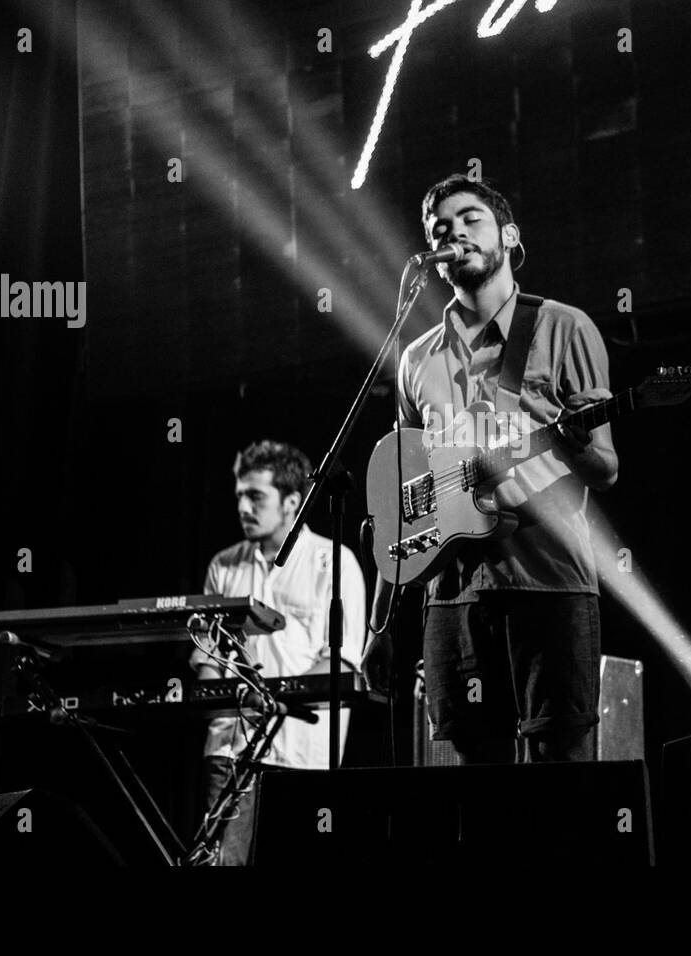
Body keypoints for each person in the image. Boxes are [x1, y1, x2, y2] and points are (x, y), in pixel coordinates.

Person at [363, 174, 619, 765]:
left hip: (549, 581)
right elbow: (405, 497)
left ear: (509, 234)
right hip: (451, 597)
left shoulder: (563, 327)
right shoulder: (415, 358)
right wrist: (380, 625)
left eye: (470, 218)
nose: (454, 231)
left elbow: (605, 468)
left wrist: (575, 441)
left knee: (561, 779)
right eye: (439, 227)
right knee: (478, 796)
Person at [190, 440, 366, 865]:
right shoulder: (223, 565)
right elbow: (205, 662)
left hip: (303, 754)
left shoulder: (333, 562)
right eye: (239, 496)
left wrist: (274, 699)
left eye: (256, 496)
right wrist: (227, 703)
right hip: (231, 753)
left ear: (291, 501)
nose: (244, 507)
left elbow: (339, 662)